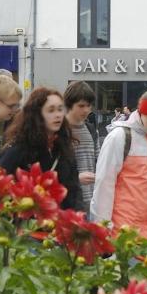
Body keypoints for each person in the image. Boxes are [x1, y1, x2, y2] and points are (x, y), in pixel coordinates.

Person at [91, 88, 147, 246]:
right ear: (140, 113)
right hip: (123, 234)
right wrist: (103, 228)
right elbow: (104, 185)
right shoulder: (119, 137)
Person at [0, 87, 81, 210]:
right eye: (51, 110)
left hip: (61, 222)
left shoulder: (64, 148)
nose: (58, 115)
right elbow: (2, 188)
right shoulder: (19, 149)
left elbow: (74, 191)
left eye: (60, 109)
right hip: (28, 223)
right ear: (37, 114)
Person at [64, 81, 99, 213]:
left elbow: (98, 160)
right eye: (81, 105)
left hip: (92, 201)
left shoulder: (91, 129)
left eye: (89, 106)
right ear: (69, 105)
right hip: (68, 200)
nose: (86, 110)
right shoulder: (60, 130)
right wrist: (76, 178)